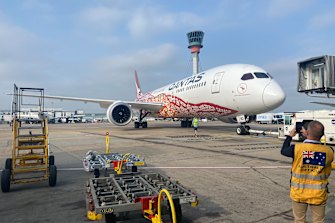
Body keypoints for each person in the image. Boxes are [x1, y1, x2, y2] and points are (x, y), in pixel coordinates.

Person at [281, 121, 334, 223]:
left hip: (299, 193)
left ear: (307, 132)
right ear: (322, 134)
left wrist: (290, 136)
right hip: (318, 193)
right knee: (319, 221)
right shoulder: (329, 151)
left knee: (299, 220)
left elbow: (284, 150)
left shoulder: (297, 148)